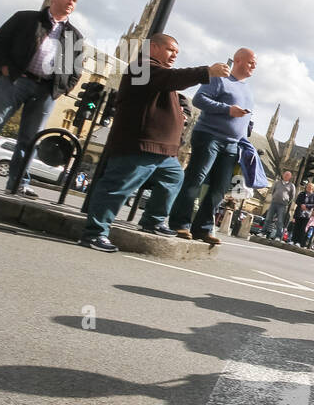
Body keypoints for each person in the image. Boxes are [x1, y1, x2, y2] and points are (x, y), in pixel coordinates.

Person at [78, 35, 229, 252]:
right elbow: (169, 79)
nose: (174, 55)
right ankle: (94, 233)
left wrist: (182, 112)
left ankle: (153, 221)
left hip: (163, 149)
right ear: (154, 47)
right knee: (117, 188)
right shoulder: (141, 67)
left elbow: (172, 91)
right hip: (139, 143)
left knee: (173, 178)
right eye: (170, 50)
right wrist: (206, 72)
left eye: (177, 52)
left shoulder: (158, 74)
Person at [0, 0, 84, 197]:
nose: (71, 3)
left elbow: (76, 70)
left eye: (74, 1)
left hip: (46, 90)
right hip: (15, 80)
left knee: (30, 139)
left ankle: (18, 183)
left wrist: (60, 89)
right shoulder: (26, 19)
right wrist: (4, 68)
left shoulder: (74, 36)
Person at [170, 48, 256, 245]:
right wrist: (228, 110)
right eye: (250, 62)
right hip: (210, 136)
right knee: (195, 179)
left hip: (232, 144)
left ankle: (203, 228)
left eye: (255, 64)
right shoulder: (220, 78)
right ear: (238, 60)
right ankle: (179, 223)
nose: (253, 66)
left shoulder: (248, 90)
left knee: (220, 187)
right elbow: (199, 100)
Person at [265, 171, 296, 240]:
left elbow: (292, 196)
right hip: (274, 203)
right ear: (283, 175)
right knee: (268, 218)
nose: (286, 176)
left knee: (280, 221)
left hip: (282, 205)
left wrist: (286, 202)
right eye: (285, 174)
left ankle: (278, 236)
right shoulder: (277, 182)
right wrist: (274, 198)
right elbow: (273, 191)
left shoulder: (291, 186)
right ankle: (263, 232)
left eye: (288, 175)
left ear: (290, 177)